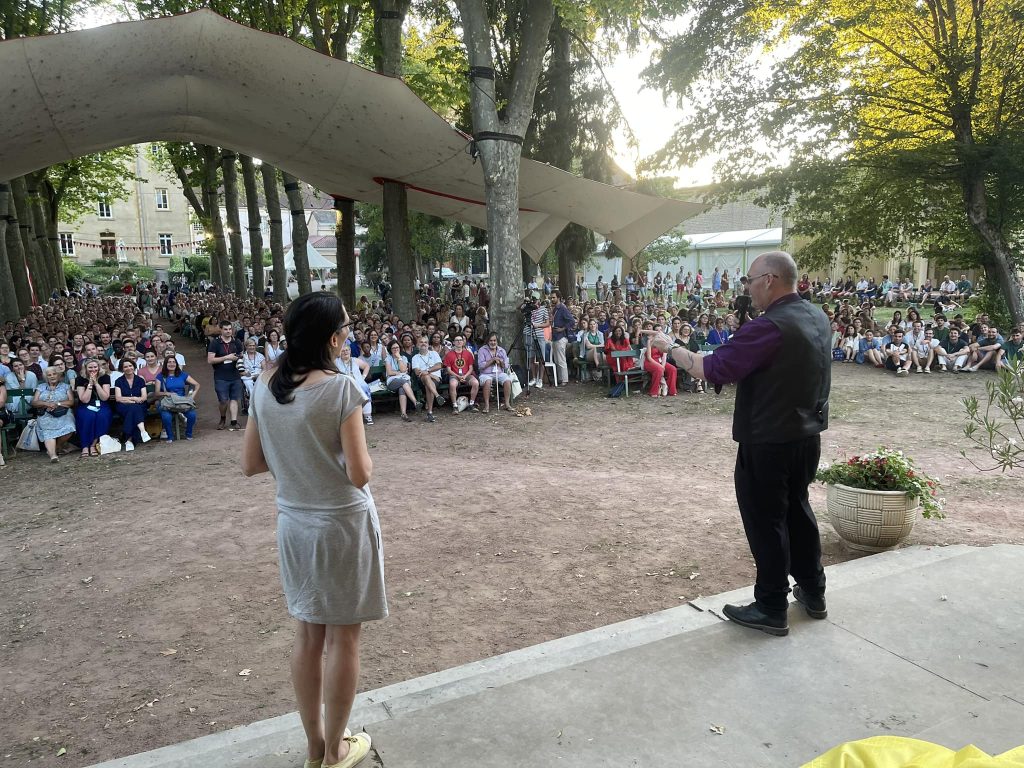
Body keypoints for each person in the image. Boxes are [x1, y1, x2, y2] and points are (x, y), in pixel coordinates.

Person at [645, 251, 830, 637]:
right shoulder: (816, 316)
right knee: (798, 510)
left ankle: (772, 605)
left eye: (749, 280)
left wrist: (669, 346)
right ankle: (813, 591)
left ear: (769, 280)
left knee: (767, 521)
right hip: (806, 435)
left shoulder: (769, 326)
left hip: (768, 440)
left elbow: (713, 368)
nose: (746, 287)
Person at [242, 292, 381, 768]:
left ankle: (314, 747)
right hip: (341, 524)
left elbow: (251, 462)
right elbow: (359, 473)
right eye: (347, 327)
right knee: (344, 639)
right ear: (333, 338)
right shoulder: (340, 389)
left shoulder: (264, 382)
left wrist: (298, 461)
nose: (349, 334)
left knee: (307, 636)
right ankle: (336, 749)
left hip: (294, 523)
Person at [32, 366, 77, 462]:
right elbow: (34, 402)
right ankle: (53, 456)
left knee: (69, 427)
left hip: (63, 412)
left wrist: (58, 403)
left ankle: (57, 447)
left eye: (54, 374)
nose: (52, 376)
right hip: (46, 413)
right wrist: (46, 404)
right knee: (48, 431)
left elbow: (71, 402)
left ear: (59, 375)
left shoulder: (66, 386)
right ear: (46, 377)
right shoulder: (41, 387)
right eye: (49, 375)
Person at [208, 320, 245, 431]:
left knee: (234, 399)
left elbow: (241, 356)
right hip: (221, 376)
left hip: (235, 375)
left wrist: (239, 358)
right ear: (221, 330)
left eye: (230, 329)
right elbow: (210, 360)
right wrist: (226, 357)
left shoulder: (236, 341)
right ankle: (223, 418)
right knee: (223, 400)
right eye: (225, 329)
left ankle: (234, 421)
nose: (228, 331)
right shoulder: (215, 343)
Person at [156, 356, 200, 442]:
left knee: (192, 415)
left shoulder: (182, 374)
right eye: (169, 362)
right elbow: (157, 393)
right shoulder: (160, 376)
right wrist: (166, 393)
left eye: (174, 362)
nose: (172, 364)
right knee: (166, 417)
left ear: (176, 364)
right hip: (168, 402)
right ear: (165, 364)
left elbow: (197, 385)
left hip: (182, 402)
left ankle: (188, 434)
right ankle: (170, 436)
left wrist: (191, 397)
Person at [75, 358, 113, 457]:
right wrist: (90, 384)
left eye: (95, 367)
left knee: (102, 416)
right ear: (85, 368)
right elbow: (84, 399)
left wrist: (96, 383)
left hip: (101, 403)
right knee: (88, 416)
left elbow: (104, 397)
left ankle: (93, 444)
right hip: (86, 405)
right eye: (90, 367)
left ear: (99, 367)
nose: (93, 369)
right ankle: (85, 446)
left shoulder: (105, 377)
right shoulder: (80, 379)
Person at [113, 358, 151, 449]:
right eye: (125, 367)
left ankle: (128, 440)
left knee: (133, 410)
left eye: (130, 366)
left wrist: (136, 400)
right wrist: (133, 399)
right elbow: (118, 398)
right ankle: (142, 431)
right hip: (123, 406)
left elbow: (144, 397)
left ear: (134, 367)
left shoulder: (140, 380)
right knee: (134, 408)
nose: (128, 368)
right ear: (122, 369)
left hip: (140, 404)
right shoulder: (119, 381)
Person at [336, 342, 374, 426]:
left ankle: (367, 416)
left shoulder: (355, 360)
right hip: (343, 383)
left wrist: (363, 376)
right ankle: (350, 417)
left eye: (347, 350)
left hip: (358, 382)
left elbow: (366, 366)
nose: (345, 352)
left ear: (350, 351)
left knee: (364, 388)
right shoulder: (336, 362)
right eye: (343, 351)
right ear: (339, 352)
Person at [411, 336, 445, 423]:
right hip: (422, 380)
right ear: (417, 345)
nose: (423, 344)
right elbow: (417, 372)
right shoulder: (415, 357)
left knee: (428, 385)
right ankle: (437, 396)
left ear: (428, 344)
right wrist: (431, 375)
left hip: (436, 379)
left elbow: (439, 366)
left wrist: (427, 371)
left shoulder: (434, 354)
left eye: (425, 342)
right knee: (426, 378)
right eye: (421, 342)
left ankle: (430, 413)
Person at [477, 333, 514, 412]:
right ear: (487, 341)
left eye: (494, 340)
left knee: (507, 380)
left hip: (499, 373)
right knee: (487, 381)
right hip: (485, 374)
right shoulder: (482, 350)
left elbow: (506, 366)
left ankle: (507, 404)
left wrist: (500, 361)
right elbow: (481, 366)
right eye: (491, 341)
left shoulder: (502, 350)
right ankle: (487, 405)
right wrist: (492, 360)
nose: (493, 342)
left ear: (497, 341)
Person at [384, 339, 417, 422]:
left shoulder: (403, 358)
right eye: (393, 348)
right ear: (390, 349)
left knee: (402, 388)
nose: (395, 349)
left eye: (397, 347)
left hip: (403, 380)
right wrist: (399, 373)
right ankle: (415, 402)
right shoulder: (388, 358)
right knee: (403, 382)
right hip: (392, 381)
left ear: (400, 348)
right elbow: (389, 372)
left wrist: (399, 358)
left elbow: (403, 370)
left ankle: (403, 413)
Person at [443, 334, 479, 411]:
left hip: (467, 375)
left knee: (475, 383)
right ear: (453, 342)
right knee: (452, 384)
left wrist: (465, 376)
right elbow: (449, 370)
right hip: (454, 375)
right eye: (457, 340)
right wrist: (458, 376)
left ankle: (471, 404)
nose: (459, 342)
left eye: (460, 340)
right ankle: (455, 406)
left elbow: (471, 368)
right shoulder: (449, 354)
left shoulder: (468, 353)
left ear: (463, 342)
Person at [549, 291, 575, 386]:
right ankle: (560, 378)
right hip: (555, 336)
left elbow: (572, 321)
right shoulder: (555, 309)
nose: (552, 299)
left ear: (558, 298)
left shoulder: (563, 308)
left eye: (554, 297)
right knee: (557, 359)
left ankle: (564, 379)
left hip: (561, 336)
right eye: (551, 298)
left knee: (561, 359)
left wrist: (563, 328)